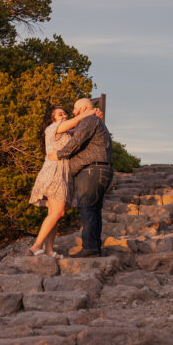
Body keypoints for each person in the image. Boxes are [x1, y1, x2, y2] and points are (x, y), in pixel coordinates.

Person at [27, 105, 99, 256]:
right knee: (58, 213)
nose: (64, 116)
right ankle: (36, 245)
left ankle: (49, 249)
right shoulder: (53, 128)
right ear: (53, 119)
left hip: (63, 174)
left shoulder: (65, 133)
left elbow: (81, 130)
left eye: (64, 114)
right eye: (60, 114)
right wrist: (88, 113)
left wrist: (96, 118)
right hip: (55, 173)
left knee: (54, 212)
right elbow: (77, 121)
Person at [56, 98, 113, 258]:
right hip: (101, 170)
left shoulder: (89, 119)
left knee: (87, 208)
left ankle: (89, 248)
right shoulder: (95, 121)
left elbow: (76, 142)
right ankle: (94, 247)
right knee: (94, 210)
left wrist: (58, 155)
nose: (73, 113)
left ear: (85, 108)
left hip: (92, 170)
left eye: (75, 109)